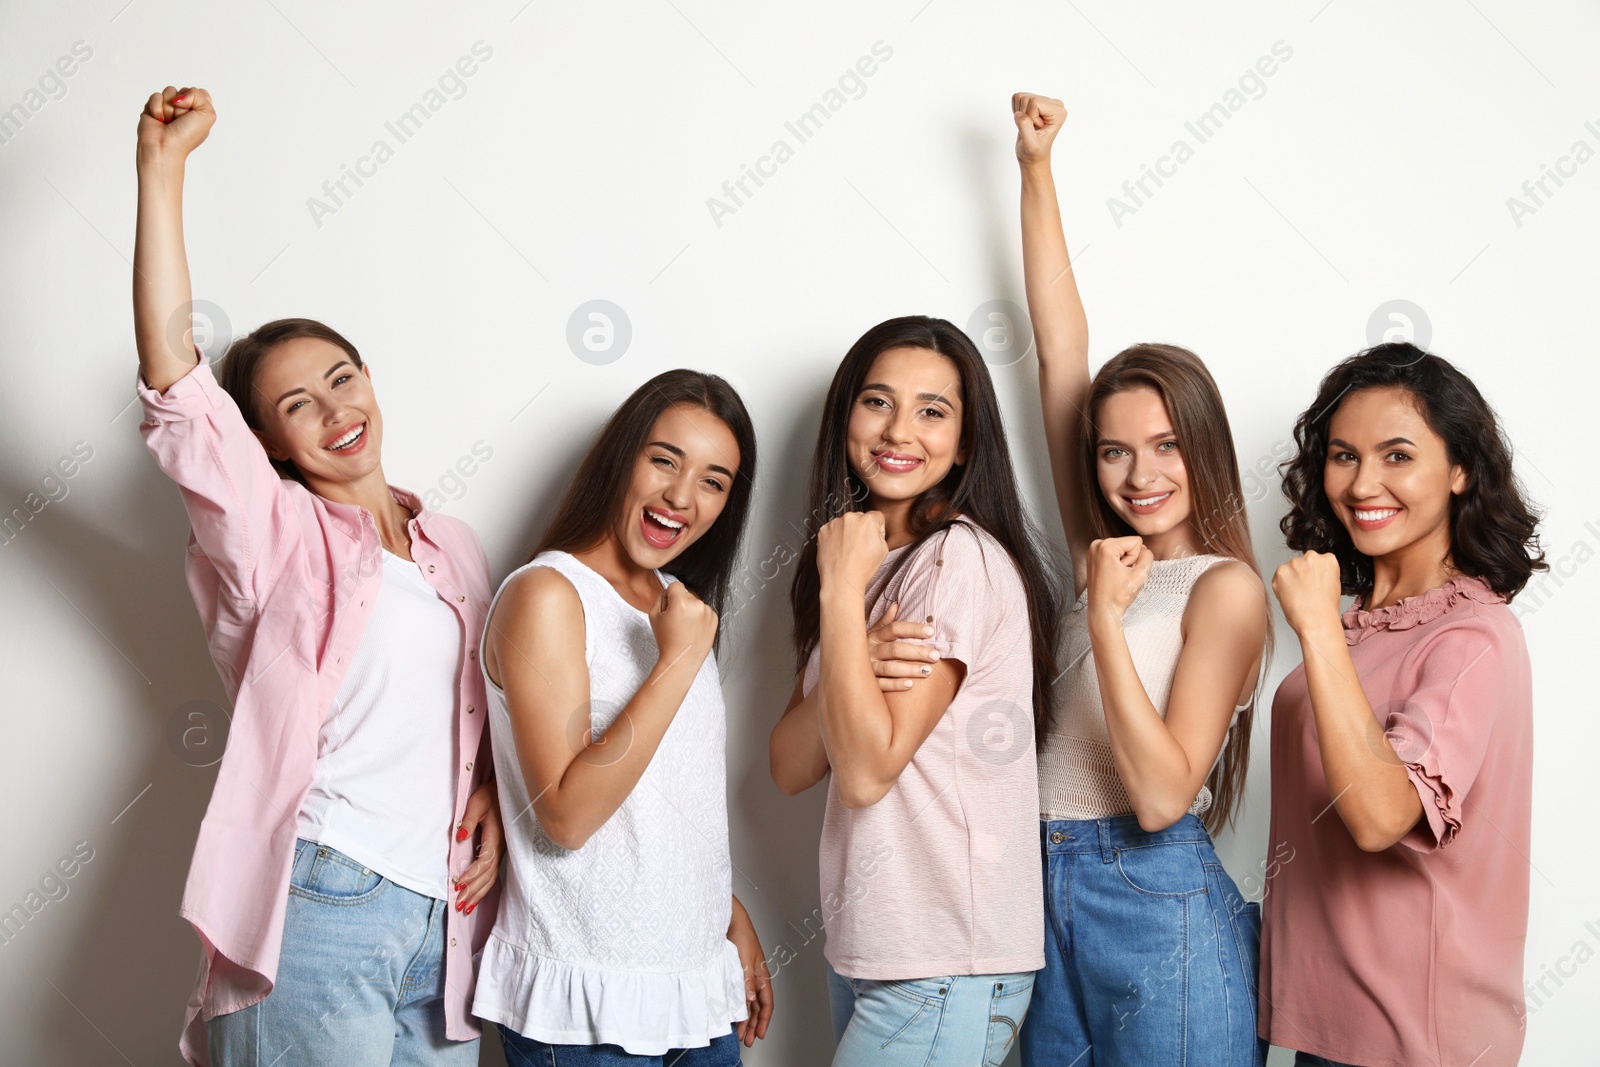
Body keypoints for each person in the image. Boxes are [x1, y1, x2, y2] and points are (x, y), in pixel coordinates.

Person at [133, 87, 502, 1067]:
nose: (334, 407)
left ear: (370, 377)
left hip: (446, 922)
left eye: (341, 376)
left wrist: (498, 807)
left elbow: (491, 715)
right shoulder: (273, 533)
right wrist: (162, 174)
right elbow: (177, 384)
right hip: (327, 897)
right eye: (296, 403)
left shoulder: (455, 546)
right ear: (269, 444)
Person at [1011, 92, 1269, 1067]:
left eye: (1165, 445)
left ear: (1204, 446)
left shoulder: (1224, 589)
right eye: (1114, 451)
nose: (1140, 474)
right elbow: (1058, 349)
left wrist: (1108, 625)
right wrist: (1036, 171)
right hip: (1038, 887)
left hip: (1152, 891)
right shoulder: (1103, 549)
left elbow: (1163, 794)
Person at [769, 315, 1062, 1066]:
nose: (900, 429)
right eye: (877, 402)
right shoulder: (872, 561)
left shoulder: (953, 560)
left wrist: (839, 595)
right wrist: (853, 639)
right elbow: (791, 763)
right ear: (846, 419)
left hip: (940, 959)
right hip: (875, 949)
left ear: (965, 441)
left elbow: (864, 771)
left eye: (933, 410)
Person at [476, 370, 773, 1066]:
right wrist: (675, 663)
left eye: (714, 480)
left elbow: (665, 798)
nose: (681, 495)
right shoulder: (548, 594)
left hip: (696, 988)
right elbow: (568, 815)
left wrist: (725, 913)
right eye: (664, 459)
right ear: (622, 457)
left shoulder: (678, 605)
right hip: (587, 1004)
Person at [1263, 342, 1543, 1067]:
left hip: (1416, 1040)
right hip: (1329, 1027)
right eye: (1344, 455)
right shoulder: (1360, 624)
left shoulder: (1473, 635)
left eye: (1396, 455)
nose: (1363, 483)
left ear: (1458, 470)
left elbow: (1381, 816)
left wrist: (1319, 628)